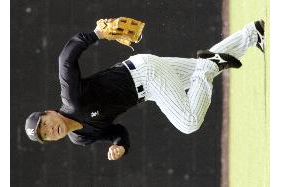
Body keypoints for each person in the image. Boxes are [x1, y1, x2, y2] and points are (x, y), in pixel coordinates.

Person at [25, 20, 265, 161]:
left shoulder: (71, 99)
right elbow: (116, 131)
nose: (49, 130)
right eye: (45, 135)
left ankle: (209, 62)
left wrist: (97, 34)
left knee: (189, 122)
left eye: (44, 123)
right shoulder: (80, 137)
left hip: (145, 74)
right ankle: (254, 33)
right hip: (147, 80)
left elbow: (65, 59)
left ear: (49, 112)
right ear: (52, 140)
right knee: (200, 72)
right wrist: (121, 145)